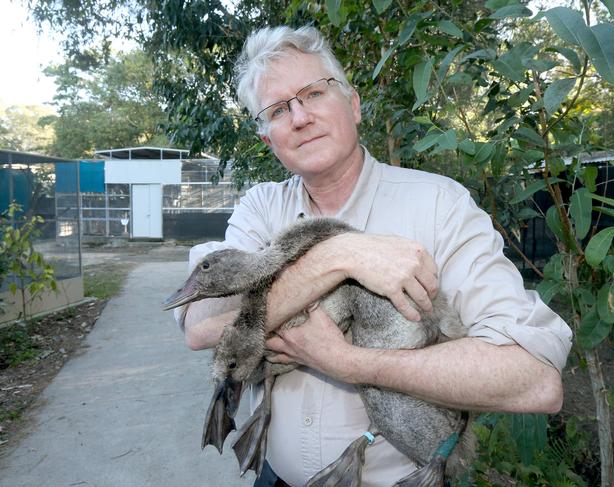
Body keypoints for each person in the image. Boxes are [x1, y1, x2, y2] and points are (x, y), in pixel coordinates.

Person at [174, 25, 572, 487]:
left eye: (314, 93)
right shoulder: (261, 209)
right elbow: (201, 327)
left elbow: (536, 381)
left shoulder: (441, 205)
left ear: (354, 105)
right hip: (275, 477)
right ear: (269, 141)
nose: (300, 117)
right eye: (279, 109)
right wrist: (339, 255)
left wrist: (349, 363)